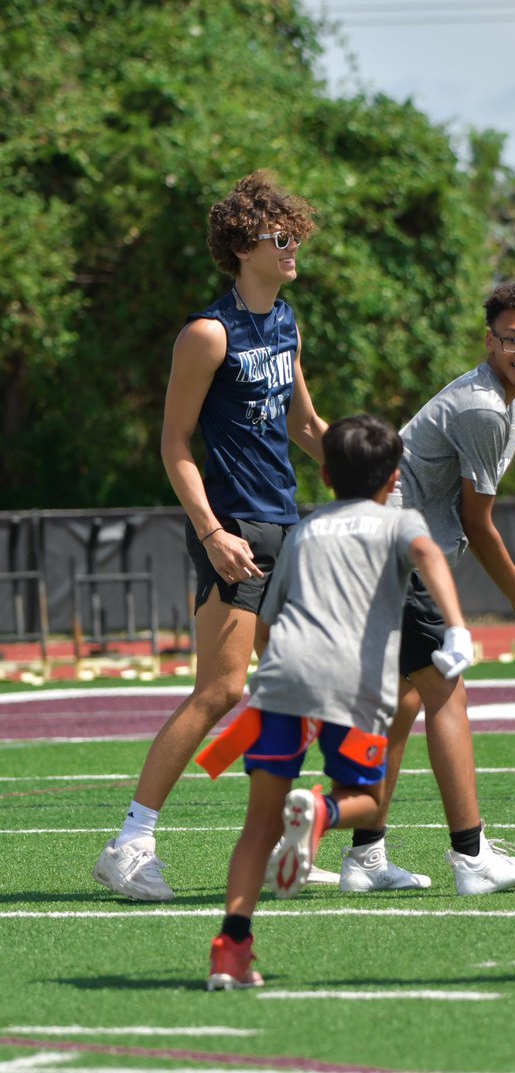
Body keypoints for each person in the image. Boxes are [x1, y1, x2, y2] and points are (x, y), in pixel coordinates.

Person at [93, 170, 330, 902]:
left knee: (315, 686)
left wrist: (377, 478)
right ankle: (129, 844)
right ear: (242, 245)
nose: (293, 246)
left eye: (296, 234)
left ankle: (288, 840)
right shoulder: (207, 333)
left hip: (286, 524)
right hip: (234, 530)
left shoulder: (286, 321)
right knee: (222, 687)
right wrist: (214, 531)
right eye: (279, 236)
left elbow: (305, 427)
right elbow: (174, 445)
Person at [198, 414, 473, 989]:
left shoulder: (303, 530)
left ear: (324, 475)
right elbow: (430, 555)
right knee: (367, 804)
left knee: (257, 827)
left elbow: (268, 623)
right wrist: (457, 627)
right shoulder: (399, 521)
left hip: (282, 683)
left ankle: (231, 950)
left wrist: (281, 675)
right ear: (394, 478)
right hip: (352, 690)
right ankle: (321, 813)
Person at [333, 282, 515, 895]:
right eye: (513, 339)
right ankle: (473, 857)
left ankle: (364, 857)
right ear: (489, 341)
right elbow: (476, 520)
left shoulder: (505, 399)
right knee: (446, 694)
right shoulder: (484, 406)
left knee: (404, 703)